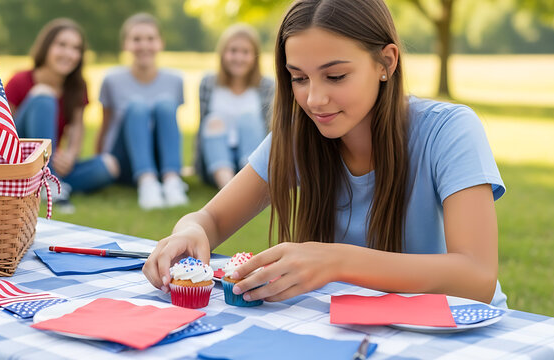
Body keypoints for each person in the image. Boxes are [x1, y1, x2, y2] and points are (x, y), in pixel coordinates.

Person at [143, 0, 508, 308]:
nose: (314, 100)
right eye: (299, 78)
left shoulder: (449, 130)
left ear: (386, 63)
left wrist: (334, 261)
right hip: (352, 329)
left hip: (456, 329)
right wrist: (188, 231)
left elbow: (476, 278)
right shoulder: (299, 135)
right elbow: (212, 219)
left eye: (335, 77)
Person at [6, 18, 119, 213]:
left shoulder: (77, 86)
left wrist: (69, 155)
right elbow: (3, 130)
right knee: (44, 96)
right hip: (21, 162)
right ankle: (49, 183)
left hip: (52, 161)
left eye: (76, 48)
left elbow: (77, 128)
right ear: (46, 47)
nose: (69, 53)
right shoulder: (19, 81)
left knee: (110, 165)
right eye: (62, 45)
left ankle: (51, 183)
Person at [97, 13, 187, 210]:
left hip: (158, 158)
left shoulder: (175, 80)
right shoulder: (112, 80)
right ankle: (146, 183)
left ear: (161, 43)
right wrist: (100, 162)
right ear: (126, 44)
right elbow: (106, 124)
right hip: (125, 159)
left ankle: (172, 181)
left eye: (150, 39)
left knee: (165, 104)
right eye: (137, 39)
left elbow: (170, 127)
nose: (144, 45)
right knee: (137, 106)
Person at [195, 24, 274, 189]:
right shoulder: (209, 84)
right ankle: (229, 188)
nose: (238, 58)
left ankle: (248, 185)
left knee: (249, 118)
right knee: (213, 120)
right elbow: (202, 128)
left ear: (255, 56)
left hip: (251, 160)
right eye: (233, 51)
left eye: (245, 52)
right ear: (223, 54)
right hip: (218, 161)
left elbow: (270, 133)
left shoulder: (267, 86)